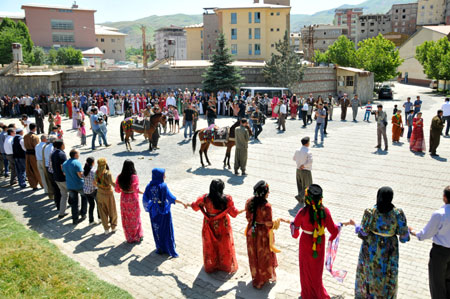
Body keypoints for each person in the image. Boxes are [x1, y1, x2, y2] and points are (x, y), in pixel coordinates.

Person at [351, 187, 410, 298]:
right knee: (387, 276)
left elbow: (362, 233)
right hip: (390, 251)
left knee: (368, 274)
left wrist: (356, 225)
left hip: (371, 250)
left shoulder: (371, 212)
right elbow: (404, 238)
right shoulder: (398, 214)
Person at [290, 184, 345, 299]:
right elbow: (334, 231)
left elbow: (295, 233)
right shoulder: (325, 212)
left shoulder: (302, 212)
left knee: (305, 270)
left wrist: (292, 226)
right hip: (319, 244)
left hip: (305, 243)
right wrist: (338, 227)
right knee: (316, 271)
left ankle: (307, 294)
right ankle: (317, 294)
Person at [188, 179, 242, 273]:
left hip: (209, 225)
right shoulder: (227, 199)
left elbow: (195, 207)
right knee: (224, 245)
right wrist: (244, 210)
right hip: (222, 225)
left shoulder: (204, 198)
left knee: (210, 245)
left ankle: (212, 265)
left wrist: (189, 204)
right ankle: (224, 265)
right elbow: (234, 213)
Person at [410, 186, 450, 299]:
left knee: (437, 285)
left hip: (440, 254)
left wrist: (413, 232)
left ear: (444, 197)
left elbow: (425, 234)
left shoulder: (440, 214)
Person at [143, 168, 187, 257]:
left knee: (157, 229)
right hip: (163, 211)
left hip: (153, 212)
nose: (165, 176)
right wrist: (182, 202)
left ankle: (160, 247)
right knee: (166, 230)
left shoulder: (148, 186)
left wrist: (152, 204)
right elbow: (171, 198)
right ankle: (169, 248)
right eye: (164, 175)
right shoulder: (163, 186)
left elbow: (145, 199)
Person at [245, 180, 279, 289]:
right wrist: (276, 223)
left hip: (252, 231)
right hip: (263, 234)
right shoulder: (267, 206)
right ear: (264, 193)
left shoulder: (249, 202)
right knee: (263, 254)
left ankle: (256, 277)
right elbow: (269, 224)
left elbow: (247, 217)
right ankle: (264, 277)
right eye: (268, 192)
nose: (269, 194)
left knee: (254, 254)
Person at [115, 159, 144, 243]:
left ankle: (129, 237)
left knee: (126, 218)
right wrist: (144, 192)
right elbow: (136, 189)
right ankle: (137, 236)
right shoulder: (134, 177)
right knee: (135, 217)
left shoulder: (119, 176)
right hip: (132, 198)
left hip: (124, 198)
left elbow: (117, 190)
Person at [62, 149, 86, 225]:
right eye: (78, 154)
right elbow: (80, 175)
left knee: (74, 203)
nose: (79, 155)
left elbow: (64, 173)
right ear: (75, 155)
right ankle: (83, 213)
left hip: (70, 185)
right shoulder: (77, 163)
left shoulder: (65, 163)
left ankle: (75, 219)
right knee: (84, 198)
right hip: (79, 185)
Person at [94, 158, 118, 234]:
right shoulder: (108, 173)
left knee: (102, 211)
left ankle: (106, 229)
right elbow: (113, 183)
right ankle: (113, 227)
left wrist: (99, 185)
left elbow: (94, 183)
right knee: (112, 210)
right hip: (108, 194)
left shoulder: (96, 172)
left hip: (99, 193)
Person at [51, 140, 69, 219]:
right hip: (63, 178)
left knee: (63, 195)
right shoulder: (62, 154)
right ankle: (77, 211)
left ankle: (61, 212)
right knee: (72, 193)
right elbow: (63, 167)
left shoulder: (53, 154)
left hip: (56, 177)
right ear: (61, 145)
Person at [293, 137, 312, 203]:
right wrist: (303, 165)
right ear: (307, 143)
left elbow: (294, 158)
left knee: (300, 185)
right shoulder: (308, 151)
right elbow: (310, 162)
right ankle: (300, 196)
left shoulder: (297, 150)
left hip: (298, 170)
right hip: (306, 170)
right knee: (308, 185)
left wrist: (299, 163)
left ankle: (301, 200)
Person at [23, 123, 42, 190]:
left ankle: (33, 185)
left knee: (29, 170)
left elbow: (24, 146)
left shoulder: (25, 136)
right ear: (34, 128)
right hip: (33, 155)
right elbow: (36, 147)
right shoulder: (35, 137)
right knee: (37, 170)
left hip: (27, 154)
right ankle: (42, 184)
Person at [82, 157, 98, 226]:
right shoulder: (93, 171)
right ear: (93, 162)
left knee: (91, 205)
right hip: (93, 190)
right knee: (98, 204)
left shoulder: (84, 170)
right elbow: (94, 182)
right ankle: (100, 218)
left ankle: (91, 221)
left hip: (86, 191)